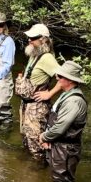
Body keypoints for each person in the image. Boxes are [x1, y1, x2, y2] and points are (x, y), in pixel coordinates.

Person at [39, 61, 88, 182]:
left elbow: (61, 126)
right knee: (57, 180)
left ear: (70, 80)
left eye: (60, 76)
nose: (56, 78)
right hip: (59, 145)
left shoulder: (74, 101)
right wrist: (49, 139)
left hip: (66, 149)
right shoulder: (66, 95)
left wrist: (45, 137)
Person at [15, 23, 58, 161]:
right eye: (29, 37)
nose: (29, 40)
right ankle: (28, 173)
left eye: (33, 38)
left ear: (43, 39)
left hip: (37, 108)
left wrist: (50, 94)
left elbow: (64, 79)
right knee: (27, 141)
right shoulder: (34, 53)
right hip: (26, 106)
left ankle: (38, 173)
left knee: (37, 146)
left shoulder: (47, 58)